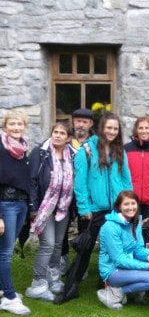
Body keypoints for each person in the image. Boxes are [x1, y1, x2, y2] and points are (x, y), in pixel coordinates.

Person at [56, 112, 132, 303]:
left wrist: (128, 204)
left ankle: (108, 283)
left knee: (114, 248)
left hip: (116, 208)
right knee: (85, 248)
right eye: (109, 128)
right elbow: (79, 183)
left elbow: (126, 179)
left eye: (115, 128)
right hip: (94, 209)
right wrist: (84, 208)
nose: (112, 132)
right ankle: (71, 287)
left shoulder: (119, 150)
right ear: (101, 128)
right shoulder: (87, 150)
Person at [97, 190, 149, 309]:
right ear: (119, 206)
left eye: (133, 203)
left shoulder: (135, 221)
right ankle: (114, 293)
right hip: (113, 270)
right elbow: (119, 260)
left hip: (129, 264)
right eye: (126, 204)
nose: (130, 207)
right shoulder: (110, 227)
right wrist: (147, 266)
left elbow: (138, 250)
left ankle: (133, 293)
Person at [25, 123, 76, 302]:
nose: (58, 136)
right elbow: (31, 181)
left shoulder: (72, 155)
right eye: (56, 132)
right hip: (44, 207)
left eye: (62, 133)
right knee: (48, 243)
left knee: (58, 245)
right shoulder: (40, 153)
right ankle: (37, 284)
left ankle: (53, 280)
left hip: (63, 207)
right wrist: (32, 207)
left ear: (68, 138)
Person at [0, 110, 31, 316]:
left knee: (4, 249)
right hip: (5, 204)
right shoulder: (1, 147)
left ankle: (2, 290)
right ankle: (10, 297)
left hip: (21, 203)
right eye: (12, 124)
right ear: (5, 126)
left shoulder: (22, 150)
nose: (16, 127)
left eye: (20, 124)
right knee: (5, 253)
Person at [61, 108, 94, 275]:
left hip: (85, 195)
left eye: (85, 122)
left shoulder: (94, 145)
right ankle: (62, 262)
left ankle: (82, 264)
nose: (81, 124)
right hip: (64, 194)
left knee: (84, 230)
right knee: (62, 229)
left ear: (90, 124)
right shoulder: (64, 142)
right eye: (78, 121)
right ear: (73, 122)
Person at [124, 116, 149, 219]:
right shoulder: (127, 149)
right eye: (140, 128)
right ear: (136, 130)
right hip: (131, 201)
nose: (144, 131)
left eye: (147, 128)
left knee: (148, 231)